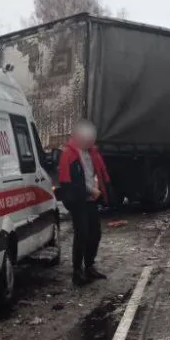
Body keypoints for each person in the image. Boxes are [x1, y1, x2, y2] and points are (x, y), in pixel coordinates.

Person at [57, 120, 110, 287]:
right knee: (82, 234)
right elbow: (70, 180)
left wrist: (102, 191)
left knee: (95, 233)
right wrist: (91, 190)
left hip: (91, 199)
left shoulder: (92, 152)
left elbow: (98, 173)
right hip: (78, 200)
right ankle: (77, 272)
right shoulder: (69, 154)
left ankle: (89, 266)